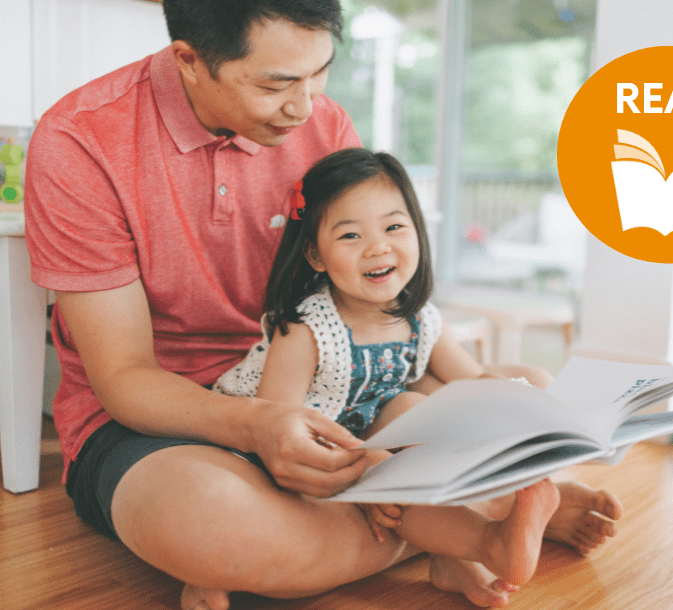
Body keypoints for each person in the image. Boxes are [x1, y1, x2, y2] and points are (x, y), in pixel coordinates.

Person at [23, 1, 622, 609]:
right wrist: (260, 425)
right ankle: (468, 516)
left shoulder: (324, 127)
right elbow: (125, 378)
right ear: (190, 60)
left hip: (334, 404)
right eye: (276, 84)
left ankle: (398, 531)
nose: (305, 107)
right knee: (212, 518)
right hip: (164, 422)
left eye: (320, 73)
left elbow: (372, 313)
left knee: (474, 408)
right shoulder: (81, 140)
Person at [211, 146, 560, 587]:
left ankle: (448, 558)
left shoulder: (420, 317)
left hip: (361, 434)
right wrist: (362, 467)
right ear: (316, 256)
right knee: (391, 466)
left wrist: (530, 392)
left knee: (419, 408)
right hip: (288, 448)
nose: (378, 247)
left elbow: (471, 382)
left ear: (418, 231)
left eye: (394, 226)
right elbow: (276, 425)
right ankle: (488, 543)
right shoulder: (304, 327)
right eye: (350, 236)